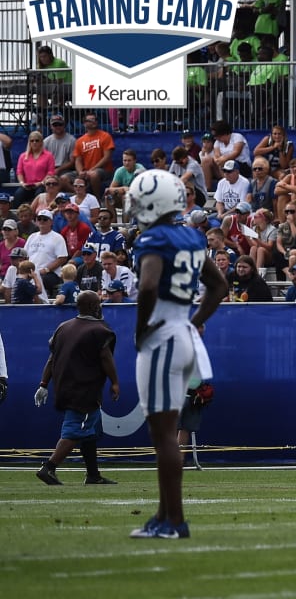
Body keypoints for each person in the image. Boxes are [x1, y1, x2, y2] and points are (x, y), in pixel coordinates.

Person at [126, 169, 228, 539]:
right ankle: (163, 516)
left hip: (163, 337)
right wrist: (196, 321)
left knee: (164, 435)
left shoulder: (152, 238)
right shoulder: (192, 236)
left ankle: (175, 522)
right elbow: (219, 286)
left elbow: (149, 284)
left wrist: (141, 329)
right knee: (167, 433)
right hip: (182, 332)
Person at [33, 290, 119, 486]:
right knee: (75, 431)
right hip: (84, 389)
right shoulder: (99, 330)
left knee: (90, 432)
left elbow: (52, 358)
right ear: (92, 307)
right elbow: (106, 357)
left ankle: (93, 475)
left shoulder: (63, 327)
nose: (100, 307)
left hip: (65, 387)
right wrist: (114, 382)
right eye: (97, 303)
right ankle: (49, 468)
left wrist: (44, 384)